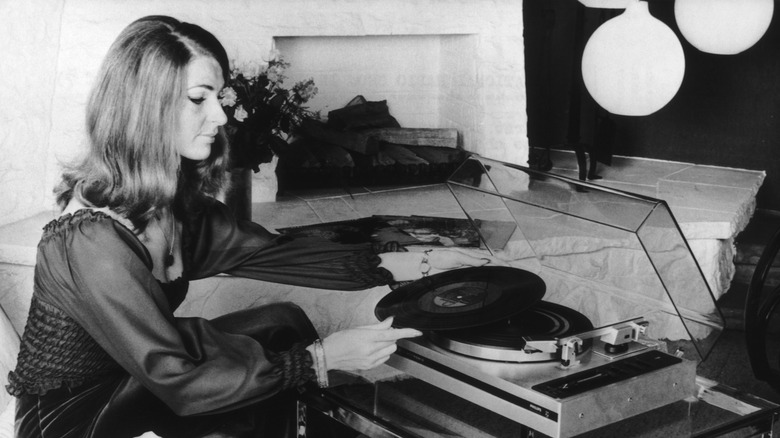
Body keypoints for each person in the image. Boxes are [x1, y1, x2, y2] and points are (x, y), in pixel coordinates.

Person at [5, 15, 492, 438]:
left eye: (218, 95)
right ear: (144, 109)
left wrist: (418, 260)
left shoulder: (163, 203)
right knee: (274, 368)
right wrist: (320, 360)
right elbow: (179, 380)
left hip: (135, 379)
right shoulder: (90, 239)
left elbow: (268, 251)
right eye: (199, 98)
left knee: (278, 323)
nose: (219, 116)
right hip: (77, 420)